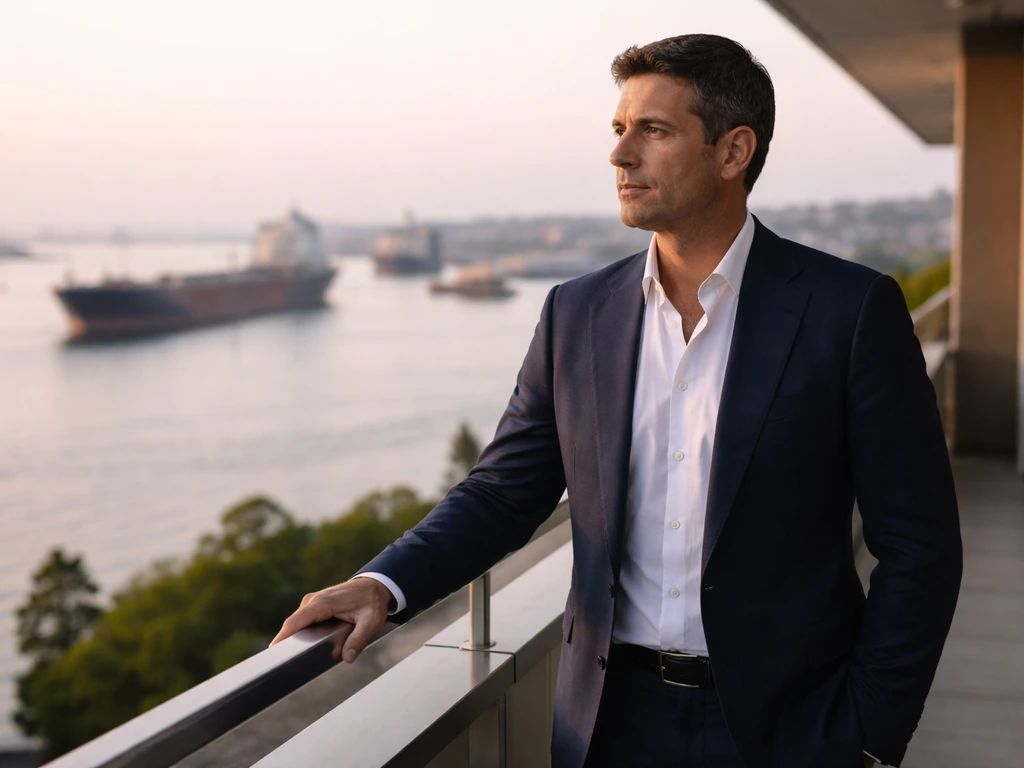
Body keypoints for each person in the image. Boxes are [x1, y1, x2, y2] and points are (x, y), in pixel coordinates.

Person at [271, 34, 962, 768]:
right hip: (606, 727)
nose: (620, 155)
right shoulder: (577, 313)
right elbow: (504, 491)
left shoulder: (848, 311)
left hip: (791, 727)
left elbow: (920, 545)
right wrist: (382, 582)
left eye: (653, 131)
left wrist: (868, 734)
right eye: (618, 129)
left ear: (733, 153)